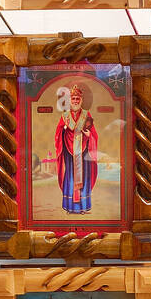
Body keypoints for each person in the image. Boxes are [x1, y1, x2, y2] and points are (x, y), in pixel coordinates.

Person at [54, 84, 97, 214]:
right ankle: (70, 207)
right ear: (69, 100)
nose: (75, 101)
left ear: (81, 100)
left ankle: (82, 207)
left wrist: (89, 136)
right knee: (70, 176)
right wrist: (63, 131)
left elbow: (94, 134)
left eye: (78, 99)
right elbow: (58, 134)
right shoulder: (65, 116)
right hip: (68, 150)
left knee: (84, 176)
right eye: (73, 99)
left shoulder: (86, 114)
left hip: (83, 151)